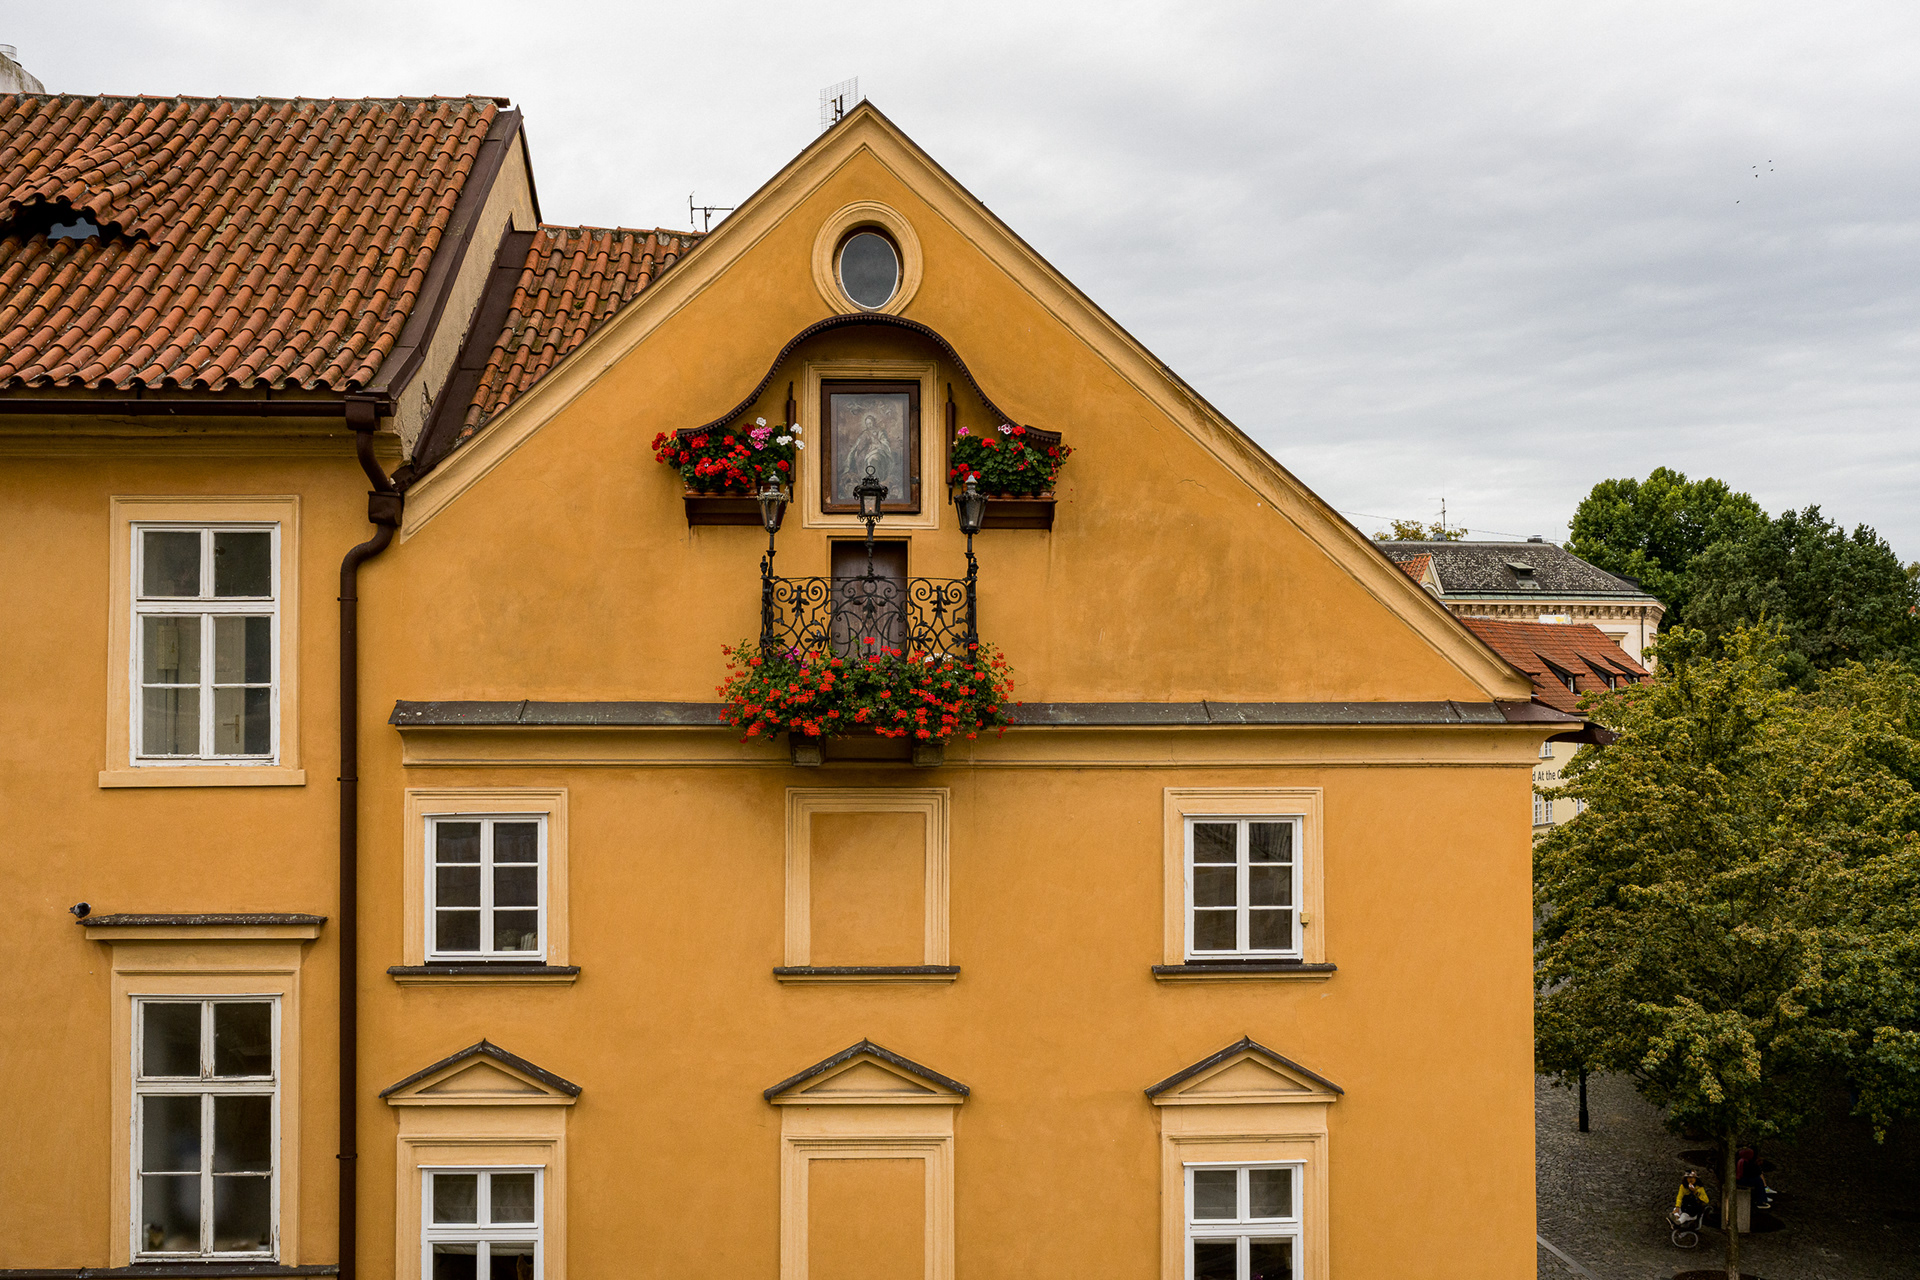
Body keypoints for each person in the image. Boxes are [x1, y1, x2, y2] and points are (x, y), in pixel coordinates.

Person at [1735, 1146, 1777, 1211]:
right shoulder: (1745, 1162)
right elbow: (1752, 1173)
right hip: (1741, 1180)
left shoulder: (1741, 1160)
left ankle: (1762, 1198)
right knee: (1759, 1181)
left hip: (1741, 1179)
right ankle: (1761, 1200)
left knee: (1758, 1180)